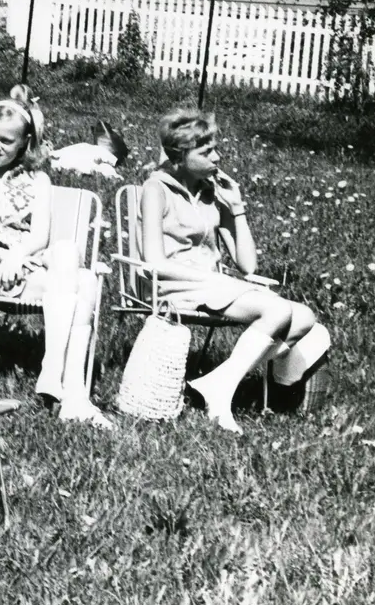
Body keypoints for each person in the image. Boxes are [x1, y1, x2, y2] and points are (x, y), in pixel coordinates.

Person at [139, 107, 330, 434]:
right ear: (180, 155)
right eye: (206, 151)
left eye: (215, 148)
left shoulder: (211, 192)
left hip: (211, 288)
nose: (218, 155)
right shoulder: (156, 189)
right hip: (170, 286)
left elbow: (247, 265)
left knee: (305, 317)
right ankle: (220, 392)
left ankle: (219, 381)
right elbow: (154, 262)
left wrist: (236, 207)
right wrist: (211, 277)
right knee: (278, 309)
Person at [0, 86, 113, 429]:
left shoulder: (38, 179)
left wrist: (18, 254)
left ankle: (54, 369)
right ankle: (76, 396)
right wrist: (6, 256)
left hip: (28, 261)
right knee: (84, 284)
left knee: (67, 252)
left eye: (7, 141)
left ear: (24, 143)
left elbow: (40, 237)